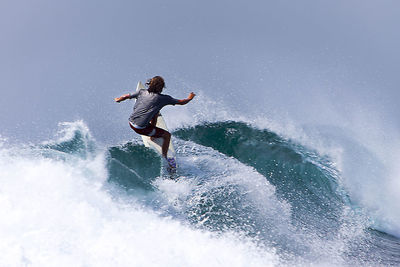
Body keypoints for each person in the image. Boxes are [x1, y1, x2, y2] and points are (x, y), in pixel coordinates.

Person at [114, 76, 196, 168]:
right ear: (161, 88)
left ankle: (152, 135)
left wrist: (119, 99)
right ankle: (165, 157)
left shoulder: (141, 92)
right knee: (167, 135)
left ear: (149, 84)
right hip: (140, 128)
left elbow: (126, 96)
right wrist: (190, 98)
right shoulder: (164, 98)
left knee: (156, 111)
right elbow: (181, 102)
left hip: (130, 122)